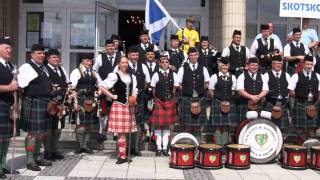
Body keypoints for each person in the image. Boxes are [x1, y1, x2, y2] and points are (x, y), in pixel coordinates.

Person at [18, 44, 52, 171]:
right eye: (39, 53)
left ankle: (38, 157)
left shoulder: (43, 67)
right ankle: (30, 160)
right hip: (34, 103)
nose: (42, 55)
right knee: (32, 134)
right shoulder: (26, 67)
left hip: (45, 103)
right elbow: (20, 85)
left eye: (43, 53)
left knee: (42, 133)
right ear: (32, 54)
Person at [99, 56, 138, 164]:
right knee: (121, 133)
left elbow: (135, 89)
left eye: (126, 62)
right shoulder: (114, 75)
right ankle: (121, 156)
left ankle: (123, 154)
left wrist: (134, 96)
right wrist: (112, 96)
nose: (125, 64)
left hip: (129, 106)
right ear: (119, 64)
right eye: (123, 62)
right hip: (119, 106)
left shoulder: (131, 76)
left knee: (125, 133)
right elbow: (102, 86)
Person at [70, 53, 102, 154]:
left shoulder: (93, 72)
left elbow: (101, 85)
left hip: (91, 101)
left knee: (89, 125)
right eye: (87, 61)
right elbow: (72, 88)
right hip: (80, 100)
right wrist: (75, 102)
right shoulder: (76, 72)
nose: (89, 63)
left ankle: (85, 145)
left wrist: (98, 92)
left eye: (90, 61)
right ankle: (80, 146)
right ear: (82, 61)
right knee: (80, 125)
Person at [177, 47, 210, 136]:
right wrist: (186, 91)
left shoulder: (203, 68)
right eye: (191, 55)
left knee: (199, 126)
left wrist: (200, 90)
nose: (193, 57)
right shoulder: (182, 68)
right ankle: (189, 146)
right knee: (187, 126)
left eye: (195, 55)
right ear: (188, 56)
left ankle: (198, 146)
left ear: (198, 55)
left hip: (200, 99)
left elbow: (207, 83)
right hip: (187, 99)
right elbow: (179, 84)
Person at [149, 55, 178, 156]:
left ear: (169, 63)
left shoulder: (173, 74)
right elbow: (153, 89)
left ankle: (165, 148)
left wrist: (171, 98)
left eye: (166, 62)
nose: (165, 63)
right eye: (163, 62)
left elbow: (175, 87)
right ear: (160, 63)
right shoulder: (156, 75)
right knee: (157, 126)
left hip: (169, 102)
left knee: (166, 126)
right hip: (159, 102)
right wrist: (156, 98)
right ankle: (158, 147)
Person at [124, 46, 150, 156]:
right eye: (133, 55)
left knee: (138, 125)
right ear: (128, 55)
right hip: (125, 100)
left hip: (138, 100)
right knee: (126, 125)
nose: (135, 57)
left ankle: (135, 147)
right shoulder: (123, 65)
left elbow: (147, 82)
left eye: (137, 55)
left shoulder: (143, 66)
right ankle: (126, 148)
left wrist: (139, 92)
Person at [44, 49, 68, 161]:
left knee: (58, 128)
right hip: (50, 104)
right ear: (48, 59)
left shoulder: (62, 69)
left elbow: (67, 84)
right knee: (49, 129)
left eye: (57, 57)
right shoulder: (45, 69)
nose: (56, 59)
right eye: (53, 57)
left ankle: (54, 150)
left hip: (61, 103)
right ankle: (47, 152)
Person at [288, 55, 320, 142]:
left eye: (311, 64)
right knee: (300, 128)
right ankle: (302, 147)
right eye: (307, 64)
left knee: (312, 128)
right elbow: (290, 90)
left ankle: (312, 145)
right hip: (300, 103)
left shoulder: (317, 76)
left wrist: (317, 102)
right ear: (303, 64)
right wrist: (300, 96)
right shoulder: (296, 76)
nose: (309, 66)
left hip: (314, 103)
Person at [93, 39, 120, 142]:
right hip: (103, 88)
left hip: (116, 89)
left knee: (116, 111)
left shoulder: (119, 57)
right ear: (105, 47)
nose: (110, 48)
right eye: (108, 46)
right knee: (103, 111)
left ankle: (116, 132)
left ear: (115, 47)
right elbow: (94, 70)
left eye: (112, 46)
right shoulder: (100, 57)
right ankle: (102, 132)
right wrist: (100, 83)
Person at [0, 37, 19, 177]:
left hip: (9, 104)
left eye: (10, 48)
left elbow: (15, 87)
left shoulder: (11, 66)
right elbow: (10, 87)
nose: (9, 50)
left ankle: (2, 164)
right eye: (6, 47)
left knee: (6, 137)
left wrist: (15, 102)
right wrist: (9, 87)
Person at [208, 57, 237, 145]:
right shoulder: (214, 76)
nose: (225, 67)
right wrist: (218, 101)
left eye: (226, 65)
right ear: (220, 66)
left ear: (229, 66)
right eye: (223, 65)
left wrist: (227, 100)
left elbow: (233, 90)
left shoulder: (233, 77)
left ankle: (224, 146)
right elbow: (210, 90)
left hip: (229, 103)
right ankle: (218, 147)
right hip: (217, 102)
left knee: (225, 126)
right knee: (217, 127)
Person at [262, 55, 291, 134]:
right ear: (272, 64)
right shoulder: (266, 75)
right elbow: (264, 89)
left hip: (283, 103)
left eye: (280, 63)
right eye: (276, 63)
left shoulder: (287, 75)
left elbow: (290, 89)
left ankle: (281, 143)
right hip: (270, 103)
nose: (278, 65)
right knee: (268, 125)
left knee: (283, 128)